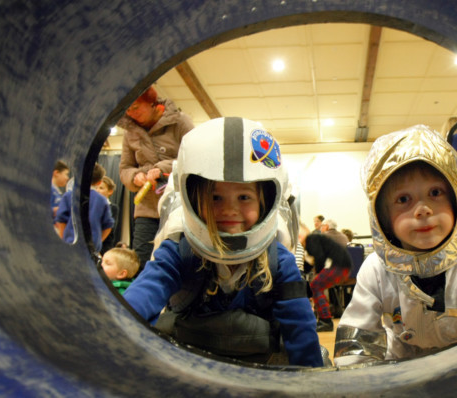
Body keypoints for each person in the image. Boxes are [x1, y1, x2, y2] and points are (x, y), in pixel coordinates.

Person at [123, 117, 323, 367]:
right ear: (194, 201)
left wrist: (313, 383)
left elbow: (300, 326)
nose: (230, 210)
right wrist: (116, 337)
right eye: (215, 197)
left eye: (243, 196)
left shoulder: (278, 259)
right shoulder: (179, 250)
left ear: (266, 202)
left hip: (258, 373)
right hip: (191, 369)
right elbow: (143, 295)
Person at [333, 125, 457, 366]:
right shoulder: (376, 269)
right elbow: (357, 341)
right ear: (383, 218)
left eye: (435, 192)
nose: (423, 209)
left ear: (456, 201)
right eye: (403, 199)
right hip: (401, 358)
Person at [118, 85, 194, 270]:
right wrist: (136, 177)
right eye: (127, 110)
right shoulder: (130, 134)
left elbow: (194, 156)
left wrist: (162, 168)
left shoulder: (180, 122)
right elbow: (125, 168)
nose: (131, 113)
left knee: (182, 260)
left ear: (152, 103)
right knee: (141, 260)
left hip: (179, 206)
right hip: (146, 208)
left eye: (135, 107)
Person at [55, 163, 114, 254]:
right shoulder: (102, 200)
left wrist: (64, 239)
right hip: (92, 247)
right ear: (99, 182)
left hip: (70, 243)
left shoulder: (68, 196)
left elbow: (61, 220)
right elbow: (108, 226)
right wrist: (98, 241)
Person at [303, 231, 352, 332]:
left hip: (339, 265)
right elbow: (314, 261)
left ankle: (325, 320)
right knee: (316, 286)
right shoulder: (314, 239)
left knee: (315, 286)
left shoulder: (311, 238)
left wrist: (318, 272)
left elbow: (319, 256)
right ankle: (324, 318)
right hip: (343, 265)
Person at [96, 175, 120, 254]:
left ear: (110, 191)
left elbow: (110, 229)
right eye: (96, 188)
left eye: (101, 188)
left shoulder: (113, 208)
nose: (97, 190)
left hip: (104, 246)